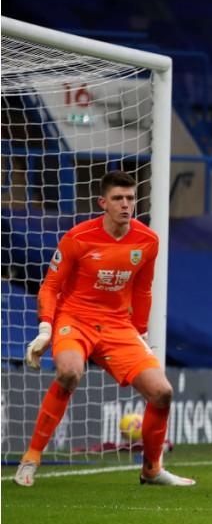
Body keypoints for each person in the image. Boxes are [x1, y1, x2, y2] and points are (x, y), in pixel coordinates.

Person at [14, 171, 194, 487]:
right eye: (118, 199)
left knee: (162, 392)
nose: (126, 205)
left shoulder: (147, 240)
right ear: (103, 203)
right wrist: (46, 329)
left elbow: (143, 290)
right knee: (70, 372)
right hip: (75, 320)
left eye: (130, 198)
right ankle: (31, 458)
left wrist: (141, 333)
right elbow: (51, 286)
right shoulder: (78, 238)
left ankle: (151, 470)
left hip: (118, 326)